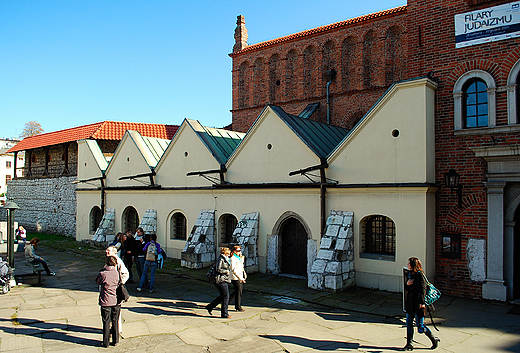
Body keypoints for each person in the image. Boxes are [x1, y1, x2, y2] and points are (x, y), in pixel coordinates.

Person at [402, 256, 440, 351]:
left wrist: (422, 302)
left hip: (418, 304)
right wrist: (407, 284)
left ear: (413, 265)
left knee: (420, 326)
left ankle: (433, 339)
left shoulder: (420, 275)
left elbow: (423, 289)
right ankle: (409, 344)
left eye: (409, 263)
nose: (408, 265)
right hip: (411, 303)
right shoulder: (410, 274)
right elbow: (407, 289)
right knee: (409, 323)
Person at [95, 256, 120, 348]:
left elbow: (97, 281)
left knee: (106, 322)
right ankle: (115, 340)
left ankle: (105, 342)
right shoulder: (116, 273)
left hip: (105, 300)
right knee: (115, 321)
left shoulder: (103, 273)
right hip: (115, 300)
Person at [206, 247, 232, 318]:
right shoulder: (221, 259)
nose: (229, 255)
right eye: (228, 254)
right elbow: (218, 269)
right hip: (220, 279)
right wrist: (226, 271)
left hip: (224, 279)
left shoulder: (226, 259)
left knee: (222, 296)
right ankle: (224, 313)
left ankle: (210, 306)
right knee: (226, 296)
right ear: (225, 253)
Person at [229, 245, 247, 312]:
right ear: (234, 251)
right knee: (239, 291)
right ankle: (238, 306)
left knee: (237, 291)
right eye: (238, 251)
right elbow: (234, 269)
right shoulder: (232, 258)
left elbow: (241, 266)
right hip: (235, 277)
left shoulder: (239, 257)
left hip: (240, 276)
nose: (239, 252)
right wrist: (240, 278)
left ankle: (228, 301)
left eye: (240, 250)